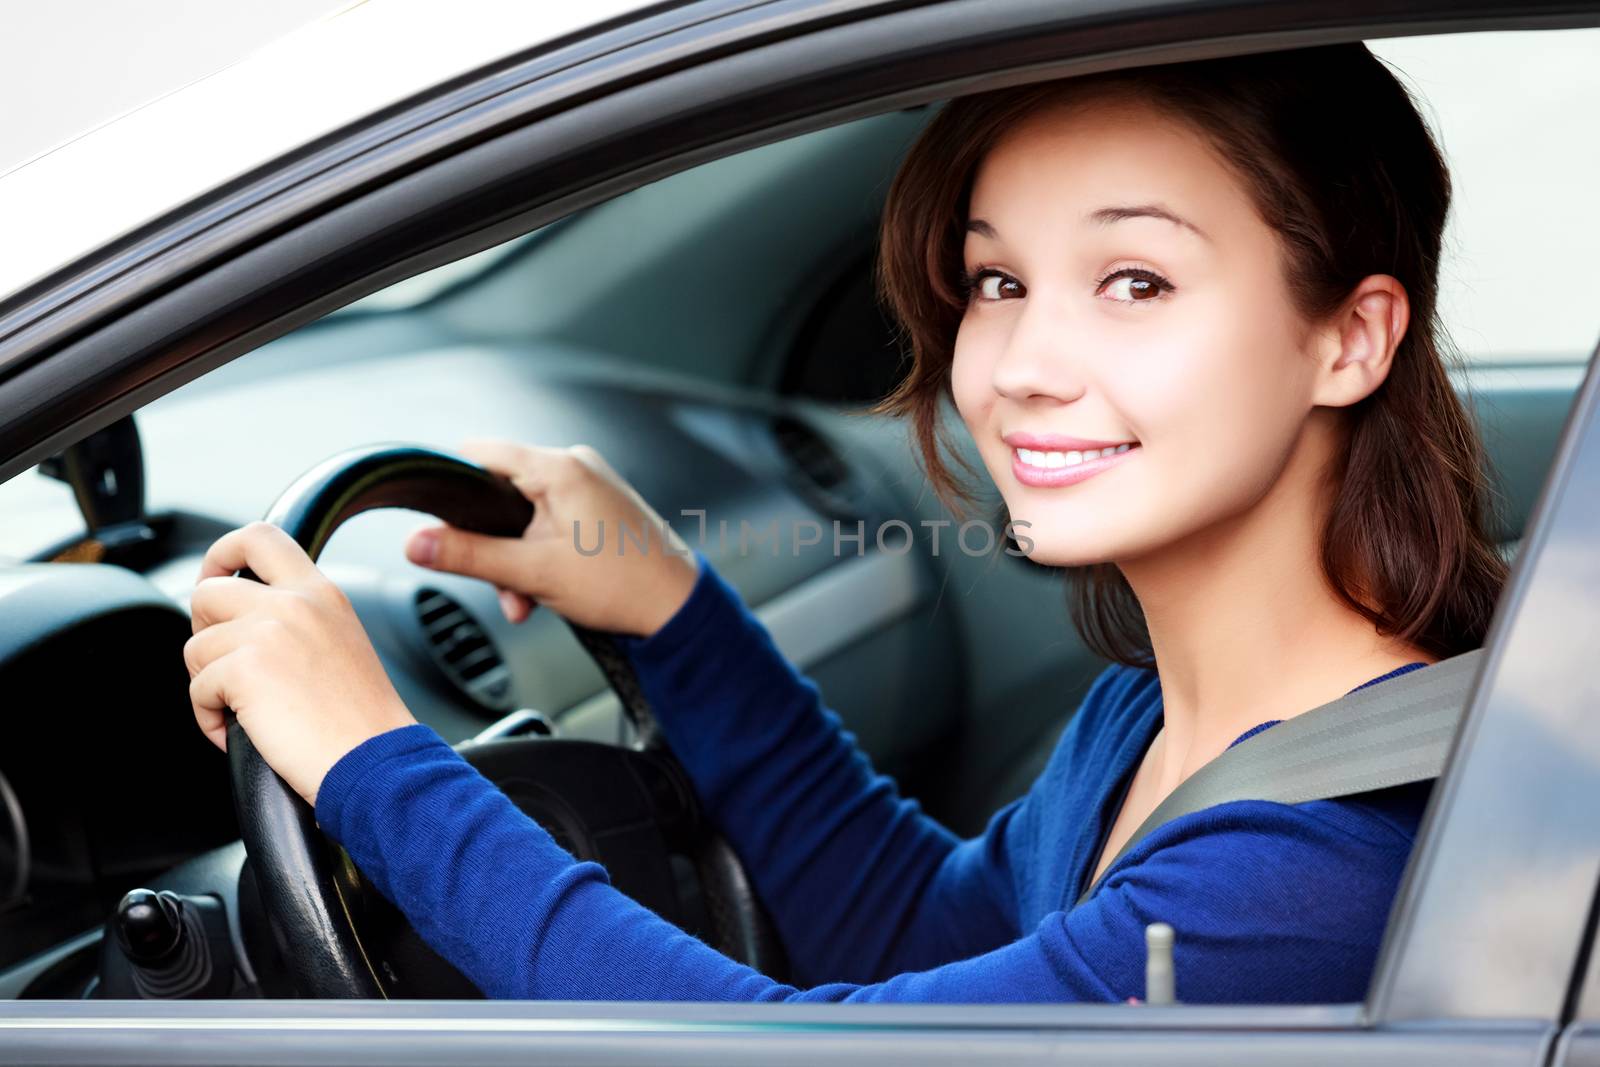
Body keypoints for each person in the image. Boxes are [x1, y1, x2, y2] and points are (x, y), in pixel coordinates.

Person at [183, 41, 1507, 1003]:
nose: (1022, 364)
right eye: (999, 279)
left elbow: (800, 1059)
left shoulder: (1307, 872)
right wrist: (677, 612)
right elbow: (918, 937)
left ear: (1350, 338)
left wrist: (375, 767)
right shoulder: (1151, 716)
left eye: (1135, 279)